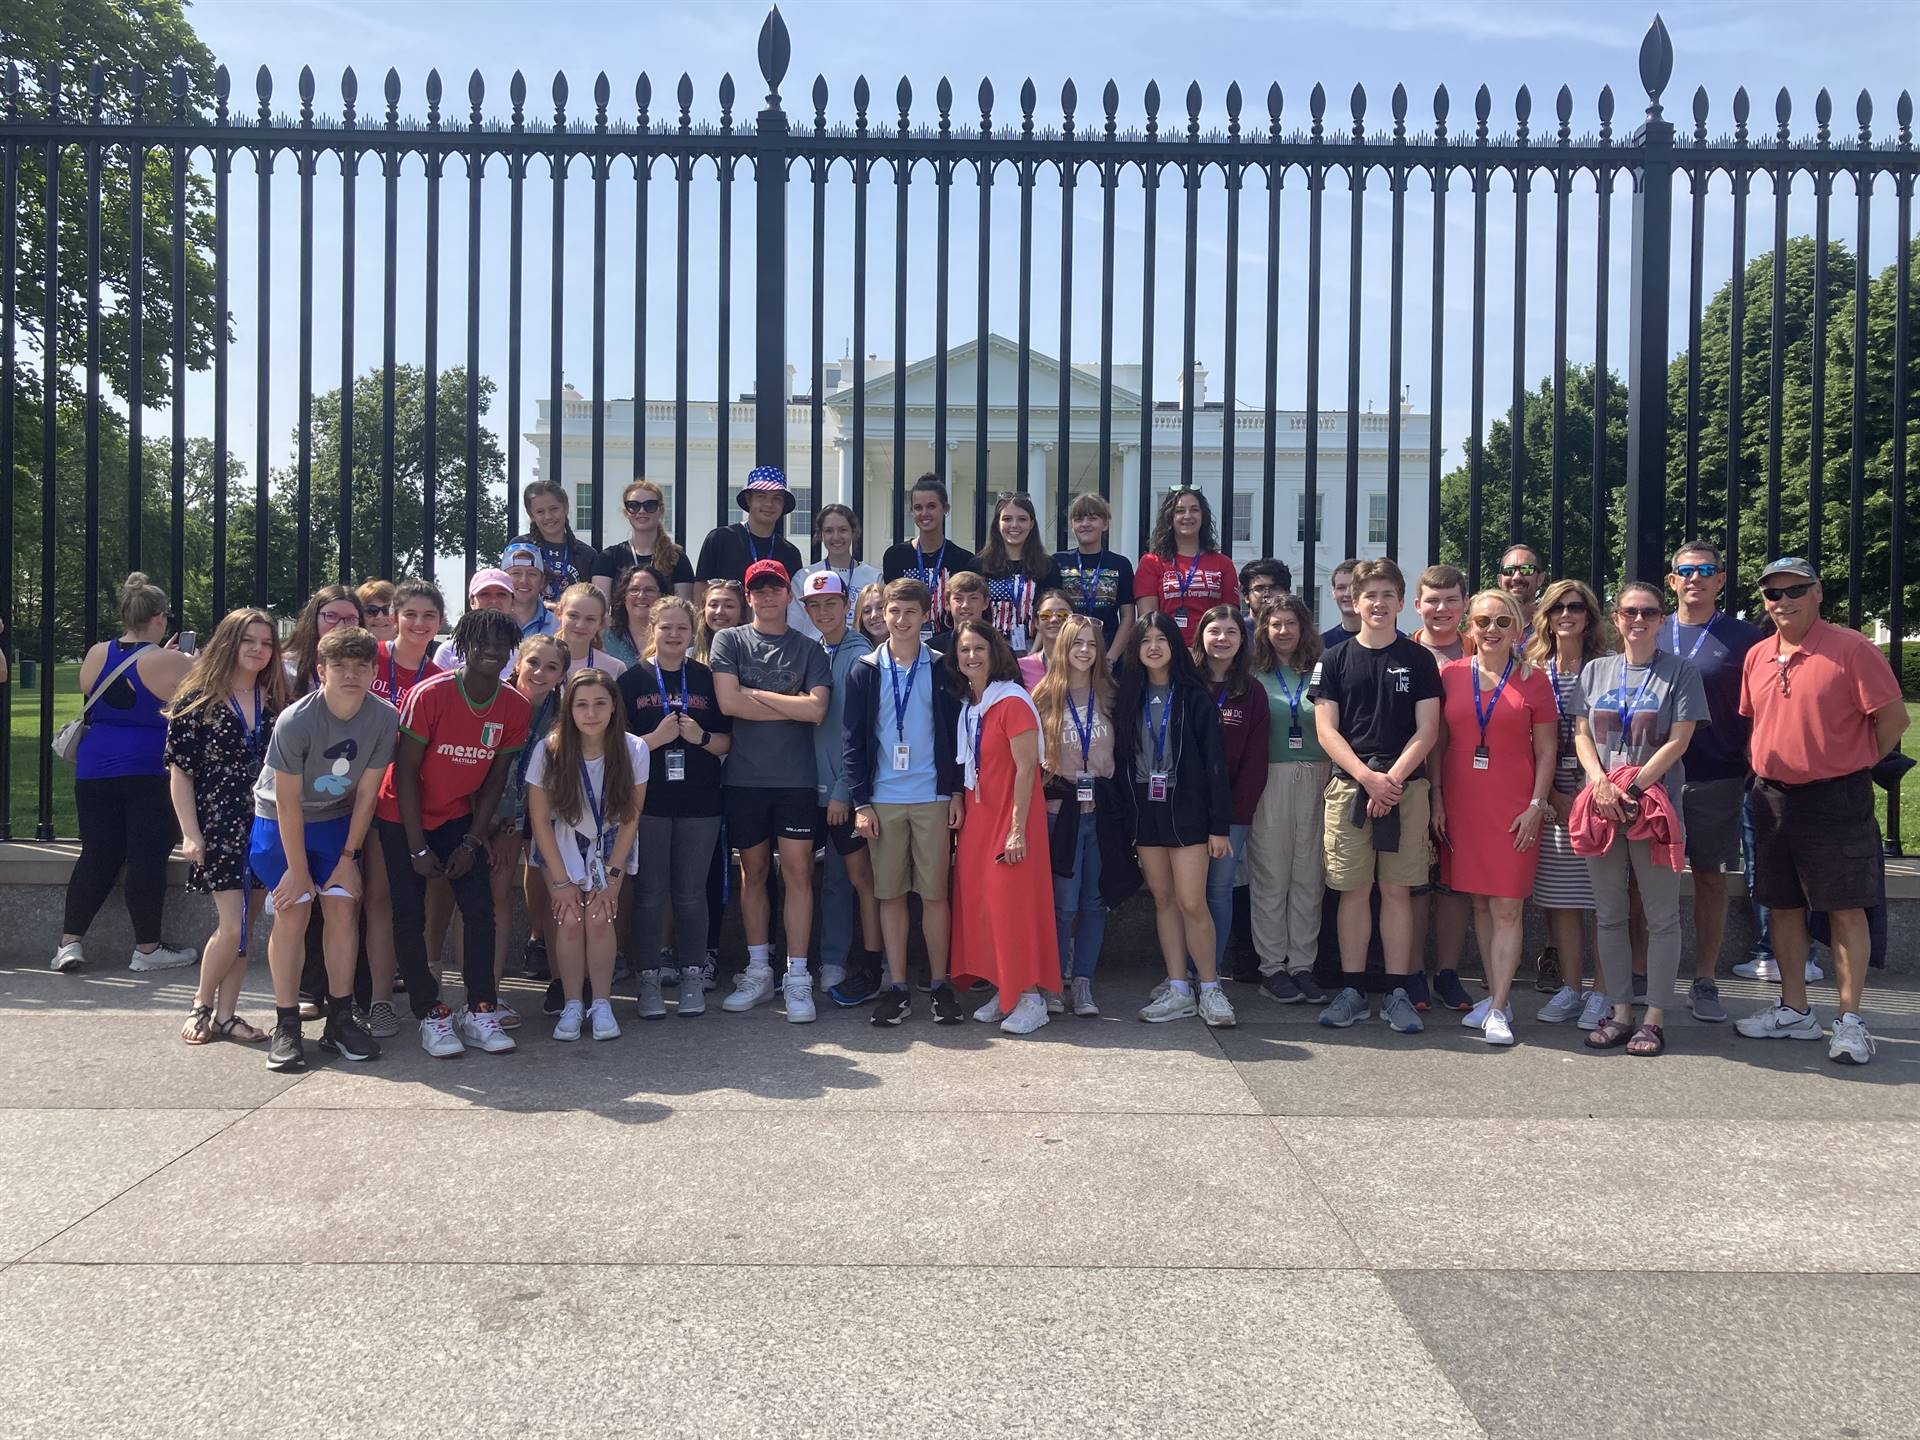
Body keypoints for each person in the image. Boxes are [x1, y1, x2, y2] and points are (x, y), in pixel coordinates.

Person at [1735, 557, 1908, 1066]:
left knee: (1844, 906)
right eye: (1773, 594)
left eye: (1795, 591)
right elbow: (1756, 719)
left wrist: (1854, 763)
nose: (1783, 602)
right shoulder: (1759, 655)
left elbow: (1893, 718)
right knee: (1782, 904)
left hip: (1835, 797)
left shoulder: (1852, 649)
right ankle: (1795, 1009)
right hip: (1771, 798)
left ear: (1818, 593)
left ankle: (1851, 1020)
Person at [373, 608, 530, 1057]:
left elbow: (496, 780)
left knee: (479, 907)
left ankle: (480, 1006)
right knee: (408, 912)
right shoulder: (430, 694)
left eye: (501, 644)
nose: (492, 651)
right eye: (482, 642)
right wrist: (418, 847)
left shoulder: (514, 705)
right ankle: (430, 1013)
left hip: (458, 817)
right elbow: (403, 774)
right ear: (463, 645)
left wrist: (472, 841)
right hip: (400, 815)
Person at [248, 626, 395, 1072]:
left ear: (374, 670)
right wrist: (296, 869)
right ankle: (287, 1022)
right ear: (320, 670)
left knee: (343, 908)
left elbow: (368, 793)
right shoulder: (296, 719)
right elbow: (287, 801)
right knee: (293, 910)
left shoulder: (384, 716)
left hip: (335, 822)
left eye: (361, 666)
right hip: (280, 821)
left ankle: (340, 1019)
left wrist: (349, 859)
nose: (350, 675)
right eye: (340, 666)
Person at [1569, 581, 1707, 1057]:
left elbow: (1680, 740)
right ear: (1616, 617)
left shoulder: (1680, 672)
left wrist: (1631, 786)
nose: (1638, 620)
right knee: (1609, 916)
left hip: (1652, 809)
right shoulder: (1596, 670)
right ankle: (1620, 1010)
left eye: (1648, 612)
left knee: (1661, 917)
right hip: (1604, 809)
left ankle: (1654, 1017)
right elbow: (1582, 732)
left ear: (1662, 619)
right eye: (1629, 612)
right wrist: (1601, 784)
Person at [1309, 557, 1442, 1034]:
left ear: (1402, 602)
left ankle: (1398, 990)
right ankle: (1351, 989)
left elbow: (1428, 730)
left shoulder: (1418, 658)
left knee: (1397, 891)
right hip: (1351, 787)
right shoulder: (1334, 658)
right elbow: (1327, 730)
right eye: (1370, 595)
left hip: (1405, 788)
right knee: (1352, 891)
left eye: (1388, 595)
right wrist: (1367, 778)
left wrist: (1393, 781)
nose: (1379, 603)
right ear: (1354, 601)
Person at [51, 573, 197, 975]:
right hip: (148, 766)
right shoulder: (174, 661)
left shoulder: (97, 652)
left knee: (96, 853)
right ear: (159, 618)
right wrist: (183, 659)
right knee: (146, 858)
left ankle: (69, 943)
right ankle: (147, 948)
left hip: (95, 766)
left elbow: (96, 690)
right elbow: (197, 693)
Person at [1429, 590, 1557, 1046]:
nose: (1492, 631)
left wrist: (1537, 806)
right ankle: (1491, 995)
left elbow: (1546, 750)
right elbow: (1439, 744)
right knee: (1480, 903)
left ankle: (1501, 1005)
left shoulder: (1534, 680)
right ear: (1469, 626)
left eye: (1503, 622)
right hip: (1464, 802)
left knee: (1507, 905)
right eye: (1483, 621)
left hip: (1514, 805)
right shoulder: (1451, 675)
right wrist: (1438, 799)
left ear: (1519, 629)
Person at [710, 559, 832, 1020]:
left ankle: (797, 976)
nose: (766, 597)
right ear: (748, 596)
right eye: (757, 590)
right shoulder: (730, 639)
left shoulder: (810, 649)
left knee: (798, 874)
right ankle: (759, 969)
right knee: (753, 873)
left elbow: (817, 711)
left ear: (788, 595)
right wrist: (792, 705)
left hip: (796, 779)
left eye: (774, 589)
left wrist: (756, 697)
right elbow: (727, 702)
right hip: (744, 778)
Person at [842, 578, 967, 1023]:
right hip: (883, 800)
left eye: (910, 612)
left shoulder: (941, 666)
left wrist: (953, 791)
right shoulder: (865, 668)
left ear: (925, 615)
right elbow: (853, 741)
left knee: (934, 896)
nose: (900, 620)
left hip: (932, 796)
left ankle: (939, 984)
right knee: (890, 895)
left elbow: (954, 736)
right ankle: (896, 986)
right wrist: (860, 802)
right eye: (893, 612)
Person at [165, 608, 289, 1043]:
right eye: (249, 641)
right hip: (218, 824)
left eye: (267, 642)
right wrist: (189, 832)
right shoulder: (197, 699)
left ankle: (227, 1015)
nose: (259, 649)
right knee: (232, 925)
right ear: (229, 643)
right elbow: (181, 772)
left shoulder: (275, 700)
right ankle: (201, 1004)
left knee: (246, 929)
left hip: (265, 824)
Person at [1661, 541, 1764, 1024]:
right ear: (1672, 580)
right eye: (1686, 571)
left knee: (1708, 877)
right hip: (1653, 777)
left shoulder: (1744, 638)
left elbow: (1761, 706)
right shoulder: (1650, 631)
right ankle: (1643, 976)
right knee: (1646, 881)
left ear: (1721, 579)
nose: (1695, 578)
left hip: (1716, 775)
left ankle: (1704, 978)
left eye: (1706, 570)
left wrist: (1749, 762)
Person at [1119, 612, 1236, 1025]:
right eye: (1145, 640)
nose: (1153, 647)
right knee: (1164, 900)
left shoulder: (1194, 696)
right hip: (1146, 813)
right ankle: (1178, 987)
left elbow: (1216, 768)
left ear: (1175, 646)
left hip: (1188, 812)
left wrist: (1219, 826)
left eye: (1161, 639)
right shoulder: (1128, 695)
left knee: (1192, 901)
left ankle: (1210, 987)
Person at [621, 596, 732, 1019]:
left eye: (681, 628)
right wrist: (656, 740)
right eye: (665, 627)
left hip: (701, 802)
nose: (673, 635)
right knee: (649, 894)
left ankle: (691, 976)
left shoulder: (706, 678)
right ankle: (647, 980)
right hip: (647, 803)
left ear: (692, 631)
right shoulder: (632, 680)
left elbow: (727, 742)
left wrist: (701, 737)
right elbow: (617, 748)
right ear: (653, 629)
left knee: (690, 895)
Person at [947, 620, 1059, 1035]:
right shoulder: (972, 705)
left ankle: (1031, 996)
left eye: (979, 648)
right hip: (980, 816)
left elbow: (1028, 767)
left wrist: (1016, 828)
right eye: (964, 650)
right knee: (986, 906)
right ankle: (1006, 987)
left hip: (1012, 817)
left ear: (995, 654)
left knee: (1013, 905)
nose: (972, 656)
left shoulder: (1012, 701)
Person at [527, 668, 646, 1042]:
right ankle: (573, 1002)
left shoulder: (634, 748)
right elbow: (540, 822)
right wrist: (560, 882)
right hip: (561, 841)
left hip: (609, 841)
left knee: (598, 919)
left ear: (613, 707)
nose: (590, 713)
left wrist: (613, 877)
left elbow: (631, 818)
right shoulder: (550, 748)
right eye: (581, 705)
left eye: (599, 704)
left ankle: (603, 1002)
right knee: (569, 921)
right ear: (569, 709)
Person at [1523, 579, 1612, 1027]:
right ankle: (1571, 987)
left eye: (1575, 606)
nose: (1566, 614)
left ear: (1589, 615)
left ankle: (1603, 991)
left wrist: (1589, 788)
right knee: (1562, 900)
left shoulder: (1609, 666)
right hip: (1551, 798)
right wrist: (1550, 795)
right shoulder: (1534, 666)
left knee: (1603, 900)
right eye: (1557, 607)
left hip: (1598, 793)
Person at [1032, 613, 1123, 1017]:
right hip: (1059, 815)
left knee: (1093, 902)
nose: (1084, 651)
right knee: (1062, 904)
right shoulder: (1043, 696)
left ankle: (1082, 982)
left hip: (1100, 814)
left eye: (1091, 644)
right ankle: (1053, 981)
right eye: (1076, 644)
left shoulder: (1111, 694)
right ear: (1063, 647)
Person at [477, 634, 567, 1035]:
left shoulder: (564, 709)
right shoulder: (494, 702)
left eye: (551, 667)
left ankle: (563, 984)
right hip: (497, 814)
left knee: (553, 890)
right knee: (495, 896)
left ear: (562, 674)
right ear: (517, 664)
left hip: (550, 811)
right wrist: (495, 823)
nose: (540, 673)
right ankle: (488, 994)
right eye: (533, 663)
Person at [800, 571, 883, 996]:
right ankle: (831, 960)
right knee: (824, 878)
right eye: (814, 606)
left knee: (855, 878)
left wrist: (842, 791)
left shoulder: (857, 654)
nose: (823, 612)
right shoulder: (814, 649)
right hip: (809, 785)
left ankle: (866, 964)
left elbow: (857, 732)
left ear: (846, 604)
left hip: (841, 791)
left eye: (831, 603)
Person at [1244, 595, 1330, 1003]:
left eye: (1291, 623)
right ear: (1264, 629)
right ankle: (1272, 967)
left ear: (1304, 628)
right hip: (1271, 778)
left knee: (1308, 876)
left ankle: (1302, 965)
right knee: (1271, 875)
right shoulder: (1253, 674)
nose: (1283, 631)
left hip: (1317, 775)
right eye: (1275, 624)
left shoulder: (1321, 671)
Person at [1192, 604, 1270, 979]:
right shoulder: (1186, 682)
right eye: (1214, 631)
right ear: (1201, 636)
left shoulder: (1251, 692)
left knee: (1219, 891)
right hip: (1185, 810)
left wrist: (1233, 818)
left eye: (1231, 632)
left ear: (1243, 640)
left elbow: (1255, 765)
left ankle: (1212, 968)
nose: (1222, 639)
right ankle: (1184, 971)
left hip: (1231, 816)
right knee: (1187, 894)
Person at [1408, 563, 1472, 1011]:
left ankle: (1447, 973)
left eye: (1451, 599)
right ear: (1417, 606)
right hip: (1413, 780)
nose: (1442, 608)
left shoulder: (1482, 649)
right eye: (1432, 600)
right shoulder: (1403, 652)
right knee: (1412, 880)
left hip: (1469, 783)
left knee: (1455, 884)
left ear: (1464, 604)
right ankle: (1411, 972)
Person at [1134, 487, 1237, 648]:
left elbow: (1230, 619)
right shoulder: (1151, 562)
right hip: (1167, 653)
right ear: (1170, 518)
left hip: (1210, 651)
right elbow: (1149, 619)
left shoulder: (1223, 564)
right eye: (1180, 511)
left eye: (1194, 510)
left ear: (1203, 516)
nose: (1187, 516)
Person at [881, 474, 978, 635]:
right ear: (912, 511)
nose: (924, 513)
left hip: (950, 643)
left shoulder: (963, 559)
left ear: (945, 509)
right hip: (907, 640)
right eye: (918, 507)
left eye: (931, 506)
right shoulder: (895, 557)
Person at [694, 464, 805, 602]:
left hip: (770, 622)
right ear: (748, 499)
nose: (769, 504)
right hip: (723, 622)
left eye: (776, 498)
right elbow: (700, 589)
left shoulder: (790, 553)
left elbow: (793, 601)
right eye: (761, 496)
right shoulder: (720, 539)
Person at [971, 492, 1062, 654]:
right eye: (1007, 519)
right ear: (997, 524)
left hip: (1036, 647)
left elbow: (1050, 612)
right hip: (991, 648)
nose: (1014, 525)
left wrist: (1033, 654)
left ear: (1032, 524)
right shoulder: (979, 565)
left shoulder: (1048, 565)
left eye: (1022, 519)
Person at [1054, 492, 1136, 662]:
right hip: (1068, 654)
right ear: (1071, 525)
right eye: (1078, 519)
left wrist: (1110, 659)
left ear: (1105, 524)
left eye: (1092, 518)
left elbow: (1128, 616)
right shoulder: (1057, 562)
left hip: (1108, 653)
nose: (1085, 524)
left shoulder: (1120, 564)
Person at [592, 477, 696, 603]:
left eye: (650, 505)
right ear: (626, 512)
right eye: (633, 506)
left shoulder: (677, 559)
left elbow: (683, 609)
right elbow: (600, 610)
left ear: (661, 510)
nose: (641, 511)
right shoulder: (608, 558)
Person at [790, 503, 883, 640]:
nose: (836, 537)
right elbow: (794, 628)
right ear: (821, 535)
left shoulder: (874, 577)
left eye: (843, 530)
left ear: (853, 532)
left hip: (860, 655)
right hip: (816, 655)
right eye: (828, 531)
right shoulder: (804, 577)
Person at [511, 477, 599, 604]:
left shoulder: (586, 554)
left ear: (566, 508)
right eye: (540, 511)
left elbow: (593, 601)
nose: (548, 516)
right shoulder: (520, 546)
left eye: (554, 509)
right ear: (531, 515)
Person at [369, 580, 444, 710]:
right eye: (410, 614)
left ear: (440, 622)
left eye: (429, 615)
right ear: (394, 618)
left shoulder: (438, 680)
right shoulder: (368, 654)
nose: (419, 622)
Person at [431, 569, 518, 673]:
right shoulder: (449, 650)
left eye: (501, 594)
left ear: (512, 602)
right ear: (472, 601)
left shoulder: (522, 653)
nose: (494, 600)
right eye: (485, 594)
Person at [285, 586, 364, 692]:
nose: (340, 626)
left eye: (351, 619)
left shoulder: (367, 667)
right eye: (331, 616)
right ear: (314, 618)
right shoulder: (287, 668)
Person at [554, 582, 628, 680]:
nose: (580, 625)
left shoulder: (615, 668)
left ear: (601, 623)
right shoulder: (538, 659)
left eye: (590, 619)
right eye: (573, 616)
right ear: (559, 613)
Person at [600, 564, 662, 668]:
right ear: (624, 596)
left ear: (661, 596)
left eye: (649, 590)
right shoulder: (606, 638)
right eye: (634, 590)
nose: (641, 595)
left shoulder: (672, 637)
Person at [501, 542, 562, 641]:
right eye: (516, 573)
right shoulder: (490, 623)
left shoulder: (560, 626)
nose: (524, 580)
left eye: (532, 574)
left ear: (542, 581)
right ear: (503, 579)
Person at [1017, 589, 1075, 689]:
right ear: (1036, 623)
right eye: (1045, 615)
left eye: (1063, 614)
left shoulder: (1083, 664)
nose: (1054, 619)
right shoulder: (1021, 667)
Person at [927, 569, 990, 655]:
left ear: (986, 603)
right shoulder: (931, 650)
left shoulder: (999, 647)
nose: (965, 605)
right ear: (947, 604)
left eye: (973, 598)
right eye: (958, 599)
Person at [1496, 543, 1546, 633]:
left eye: (1526, 569)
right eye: (1509, 570)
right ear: (1499, 580)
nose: (1516, 577)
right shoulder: (1484, 626)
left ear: (1540, 579)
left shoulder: (1550, 626)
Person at [695, 580, 745, 663]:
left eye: (729, 606)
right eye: (713, 605)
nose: (720, 611)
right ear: (704, 611)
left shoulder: (753, 655)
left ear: (741, 613)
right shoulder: (688, 655)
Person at [1321, 559, 1361, 649]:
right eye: (1341, 588)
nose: (1348, 594)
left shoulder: (1389, 640)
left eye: (1354, 588)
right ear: (1333, 592)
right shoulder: (1321, 644)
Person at [355, 579, 398, 645]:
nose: (379, 616)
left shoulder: (416, 651)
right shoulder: (347, 652)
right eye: (371, 610)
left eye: (387, 610)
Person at [853, 581, 889, 647]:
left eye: (881, 607)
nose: (874, 615)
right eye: (867, 611)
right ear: (860, 619)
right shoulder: (854, 652)